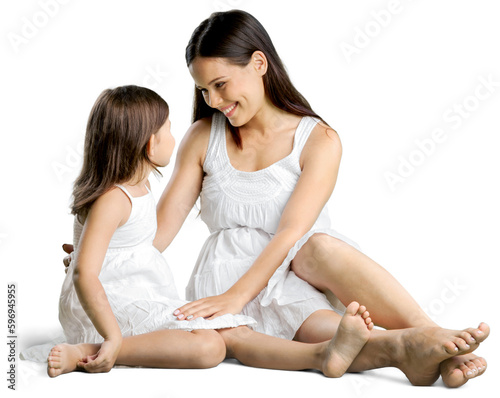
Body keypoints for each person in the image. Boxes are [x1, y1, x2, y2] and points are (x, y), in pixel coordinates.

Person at [150, 10, 489, 387]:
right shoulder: (202, 137)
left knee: (316, 244)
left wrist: (237, 296)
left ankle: (430, 333)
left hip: (294, 271)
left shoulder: (319, 140)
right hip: (225, 277)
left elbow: (290, 232)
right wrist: (103, 256)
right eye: (203, 90)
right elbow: (162, 227)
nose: (213, 101)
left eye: (220, 85)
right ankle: (426, 351)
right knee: (345, 339)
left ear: (259, 63)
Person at [44, 84, 377, 379]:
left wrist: (94, 252)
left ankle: (321, 354)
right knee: (209, 346)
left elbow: (126, 247)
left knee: (221, 335)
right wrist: (107, 321)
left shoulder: (134, 188)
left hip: (133, 293)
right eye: (169, 129)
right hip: (108, 307)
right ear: (150, 143)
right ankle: (98, 347)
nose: (178, 137)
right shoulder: (114, 199)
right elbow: (85, 275)